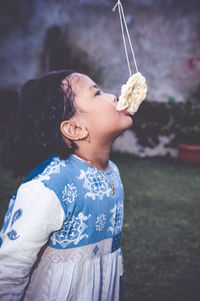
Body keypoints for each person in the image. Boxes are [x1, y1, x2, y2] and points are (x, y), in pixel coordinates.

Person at [0, 70, 133, 300]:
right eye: (98, 93)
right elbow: (9, 271)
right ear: (74, 129)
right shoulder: (48, 187)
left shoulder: (112, 171)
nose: (113, 96)